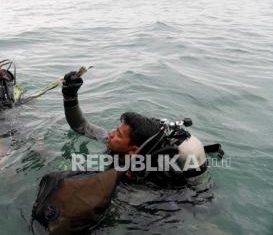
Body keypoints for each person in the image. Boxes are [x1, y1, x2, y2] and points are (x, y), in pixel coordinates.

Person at [61, 71, 209, 185]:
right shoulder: (117, 143)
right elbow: (80, 125)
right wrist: (70, 95)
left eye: (118, 134)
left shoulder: (146, 181)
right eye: (116, 130)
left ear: (133, 151)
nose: (110, 134)